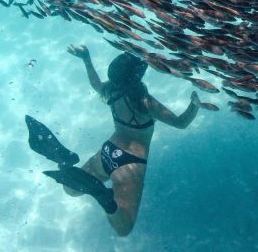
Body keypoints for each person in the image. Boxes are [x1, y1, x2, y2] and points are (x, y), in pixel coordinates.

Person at [26, 44, 201, 237]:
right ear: (136, 77)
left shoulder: (110, 90)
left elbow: (95, 83)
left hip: (108, 151)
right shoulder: (143, 101)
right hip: (130, 162)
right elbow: (181, 123)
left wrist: (86, 59)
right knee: (124, 228)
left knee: (71, 189)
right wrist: (195, 104)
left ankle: (65, 161)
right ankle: (104, 197)